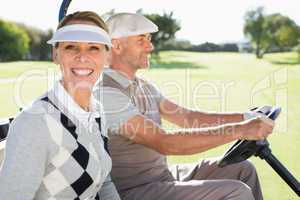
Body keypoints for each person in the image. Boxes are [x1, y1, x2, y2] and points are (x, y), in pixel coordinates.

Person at [94, 13, 275, 200]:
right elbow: (164, 142)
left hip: (162, 178)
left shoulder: (144, 86)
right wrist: (240, 130)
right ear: (116, 45)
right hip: (133, 191)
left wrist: (246, 117)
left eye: (149, 39)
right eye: (141, 41)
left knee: (242, 169)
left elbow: (188, 118)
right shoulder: (106, 93)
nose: (150, 47)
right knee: (236, 192)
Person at [0, 11, 120, 200]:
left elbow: (103, 182)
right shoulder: (34, 123)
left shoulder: (97, 112)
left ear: (107, 56)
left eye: (93, 48)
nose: (82, 56)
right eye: (71, 46)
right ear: (55, 54)